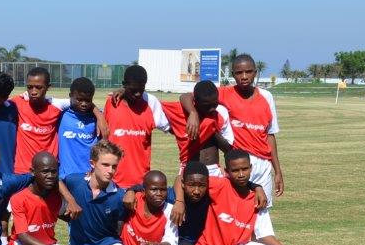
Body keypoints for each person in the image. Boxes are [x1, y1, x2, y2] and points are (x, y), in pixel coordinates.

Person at [184, 54, 284, 207]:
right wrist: (193, 112)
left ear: (255, 73)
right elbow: (187, 97)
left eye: (248, 72)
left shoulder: (267, 97)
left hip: (262, 165)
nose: (244, 76)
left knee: (261, 210)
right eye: (239, 73)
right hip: (237, 164)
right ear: (233, 75)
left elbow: (270, 135)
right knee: (235, 210)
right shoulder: (223, 93)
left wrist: (277, 171)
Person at [104, 65, 170, 189]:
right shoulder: (112, 102)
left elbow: (171, 127)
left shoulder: (150, 103)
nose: (138, 93)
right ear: (124, 85)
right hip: (111, 181)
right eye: (133, 89)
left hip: (139, 183)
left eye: (142, 89)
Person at [161, 80, 234, 176]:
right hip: (190, 168)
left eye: (215, 104)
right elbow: (184, 96)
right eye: (207, 105)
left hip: (214, 170)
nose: (212, 108)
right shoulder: (184, 112)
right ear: (195, 102)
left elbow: (228, 148)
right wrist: (193, 112)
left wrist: (211, 129)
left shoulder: (220, 112)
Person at [56, 78, 104, 180]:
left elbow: (103, 146)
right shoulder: (60, 114)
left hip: (88, 176)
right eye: (79, 99)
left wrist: (99, 115)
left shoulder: (97, 118)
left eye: (88, 100)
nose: (84, 104)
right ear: (70, 96)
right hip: (65, 176)